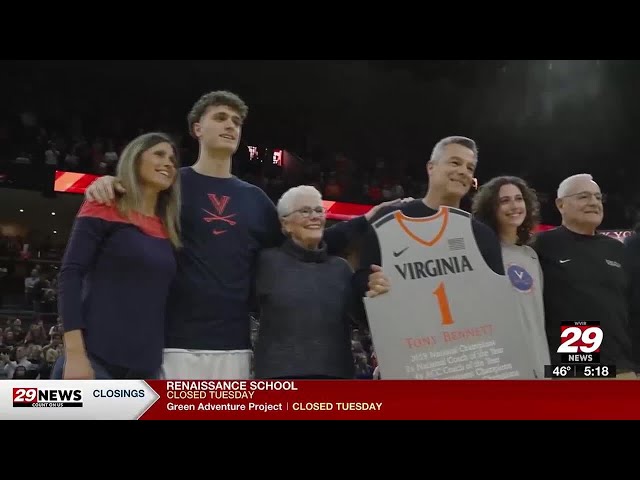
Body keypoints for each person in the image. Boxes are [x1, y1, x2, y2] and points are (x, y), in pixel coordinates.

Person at [84, 90, 402, 380]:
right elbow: (122, 222)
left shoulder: (255, 200)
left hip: (233, 348)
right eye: (220, 118)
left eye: (236, 121)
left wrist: (364, 220)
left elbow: (302, 249)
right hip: (171, 344)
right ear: (197, 128)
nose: (231, 126)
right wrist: (112, 184)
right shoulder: (169, 187)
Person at [52, 132, 181, 380]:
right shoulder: (103, 204)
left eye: (173, 160)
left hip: (147, 367)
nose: (169, 163)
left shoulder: (169, 227)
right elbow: (71, 274)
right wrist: (76, 354)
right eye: (159, 154)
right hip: (95, 360)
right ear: (135, 159)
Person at [359, 135, 504, 299]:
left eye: (470, 168)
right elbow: (361, 281)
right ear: (431, 167)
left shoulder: (483, 235)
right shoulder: (387, 221)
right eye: (455, 163)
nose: (463, 171)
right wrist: (370, 283)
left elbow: (496, 298)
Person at [530, 173, 635, 378]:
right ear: (561, 205)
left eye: (597, 197)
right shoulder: (540, 246)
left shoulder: (616, 249)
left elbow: (631, 310)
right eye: (584, 196)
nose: (594, 203)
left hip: (622, 368)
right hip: (573, 370)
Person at [253, 185, 360, 379]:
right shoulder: (265, 262)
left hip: (336, 381)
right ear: (285, 224)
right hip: (279, 382)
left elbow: (362, 319)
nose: (314, 216)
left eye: (319, 210)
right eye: (305, 211)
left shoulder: (342, 269)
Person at [471, 175, 550, 378]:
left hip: (539, 365)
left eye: (518, 198)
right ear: (491, 208)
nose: (514, 206)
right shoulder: (481, 255)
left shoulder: (531, 256)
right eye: (504, 201)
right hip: (501, 369)